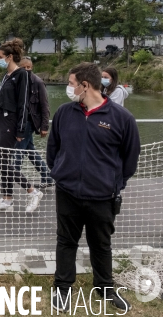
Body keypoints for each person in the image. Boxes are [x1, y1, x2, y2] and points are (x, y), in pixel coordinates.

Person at [47, 62, 140, 313]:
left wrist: (114, 184)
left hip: (102, 197)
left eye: (71, 83)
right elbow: (52, 150)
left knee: (101, 244)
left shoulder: (122, 118)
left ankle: (105, 289)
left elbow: (130, 160)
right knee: (66, 242)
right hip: (67, 193)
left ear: (85, 85)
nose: (69, 88)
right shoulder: (65, 113)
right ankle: (63, 288)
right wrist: (61, 175)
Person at [0, 39, 43, 213]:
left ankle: (32, 191)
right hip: (2, 121)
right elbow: (2, 102)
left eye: (0, 57)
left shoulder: (22, 75)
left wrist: (20, 129)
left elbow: (23, 104)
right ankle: (7, 199)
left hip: (13, 123)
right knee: (1, 161)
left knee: (4, 161)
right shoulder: (6, 76)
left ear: (10, 57)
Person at [15, 57, 53, 188]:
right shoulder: (17, 81)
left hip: (29, 123)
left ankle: (9, 181)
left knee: (18, 151)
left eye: (28, 67)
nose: (26, 70)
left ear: (31, 68)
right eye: (23, 67)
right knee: (30, 151)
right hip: (18, 122)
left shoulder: (38, 82)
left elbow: (45, 105)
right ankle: (47, 176)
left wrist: (44, 126)